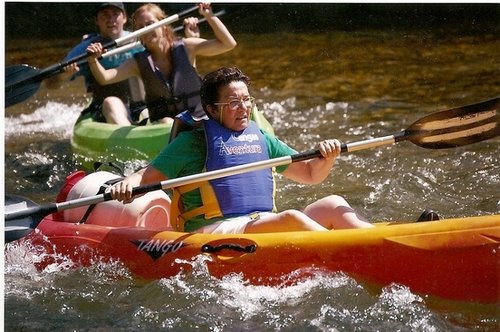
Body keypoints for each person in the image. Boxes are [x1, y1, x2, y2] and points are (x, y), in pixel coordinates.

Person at [109, 67, 374, 234]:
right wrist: (127, 183)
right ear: (212, 109)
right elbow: (146, 177)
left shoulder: (260, 138)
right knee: (292, 218)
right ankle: (349, 249)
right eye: (234, 102)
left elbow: (310, 174)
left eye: (246, 100)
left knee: (333, 204)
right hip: (215, 230)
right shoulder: (193, 143)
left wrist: (327, 157)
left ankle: (378, 239)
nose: (244, 107)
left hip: (262, 222)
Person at [45, 2, 203, 125]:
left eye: (115, 14)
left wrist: (192, 38)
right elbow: (51, 85)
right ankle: (129, 135)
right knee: (111, 103)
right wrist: (65, 76)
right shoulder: (84, 50)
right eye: (105, 15)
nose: (111, 19)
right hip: (107, 107)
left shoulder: (143, 38)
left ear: (125, 18)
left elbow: (177, 56)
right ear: (96, 20)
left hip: (142, 106)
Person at [86, 3, 237, 128]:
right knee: (168, 122)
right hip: (164, 124)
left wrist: (209, 15)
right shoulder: (138, 62)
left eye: (150, 24)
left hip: (199, 116)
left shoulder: (187, 47)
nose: (147, 30)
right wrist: (93, 60)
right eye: (141, 28)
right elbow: (105, 78)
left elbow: (228, 44)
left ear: (164, 25)